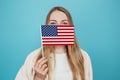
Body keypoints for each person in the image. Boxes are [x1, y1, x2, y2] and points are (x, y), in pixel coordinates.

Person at [15, 6, 93, 80]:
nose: (59, 27)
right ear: (47, 27)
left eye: (64, 23)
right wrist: (38, 78)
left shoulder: (83, 57)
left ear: (70, 26)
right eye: (53, 23)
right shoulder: (33, 57)